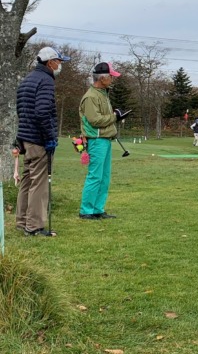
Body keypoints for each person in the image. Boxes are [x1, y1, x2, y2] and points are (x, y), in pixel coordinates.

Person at [15, 46, 70, 237]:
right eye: (59, 61)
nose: (60, 65)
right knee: (39, 182)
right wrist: (49, 137)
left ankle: (22, 221)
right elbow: (42, 112)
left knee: (27, 180)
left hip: (26, 138)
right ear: (50, 62)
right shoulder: (46, 80)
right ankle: (34, 226)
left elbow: (21, 110)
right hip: (38, 139)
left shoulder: (28, 79)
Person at [78, 62, 129, 220]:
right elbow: (95, 120)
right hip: (96, 140)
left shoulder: (103, 94)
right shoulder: (91, 97)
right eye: (110, 77)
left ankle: (97, 209)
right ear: (102, 78)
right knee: (95, 176)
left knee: (104, 177)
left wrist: (115, 115)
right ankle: (86, 210)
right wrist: (115, 117)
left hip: (105, 139)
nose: (112, 79)